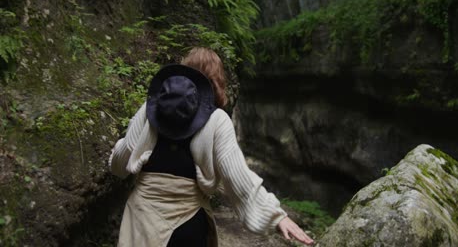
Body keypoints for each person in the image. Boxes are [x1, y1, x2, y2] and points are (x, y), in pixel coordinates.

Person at [109, 47, 314, 247]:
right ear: (216, 80)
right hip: (188, 223)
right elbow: (237, 176)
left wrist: (117, 150)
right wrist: (276, 217)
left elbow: (121, 161)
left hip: (143, 220)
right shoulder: (217, 119)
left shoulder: (149, 108)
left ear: (185, 71)